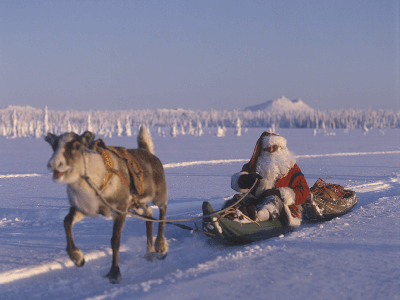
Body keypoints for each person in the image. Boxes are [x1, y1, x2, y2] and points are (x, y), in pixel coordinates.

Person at [229, 132, 310, 226]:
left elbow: (304, 191)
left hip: (281, 209)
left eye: (274, 147)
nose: (271, 151)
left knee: (273, 200)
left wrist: (280, 193)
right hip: (256, 201)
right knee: (238, 198)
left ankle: (258, 218)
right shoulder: (255, 164)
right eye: (267, 148)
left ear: (282, 149)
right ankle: (228, 215)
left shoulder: (292, 167)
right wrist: (244, 181)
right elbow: (235, 183)